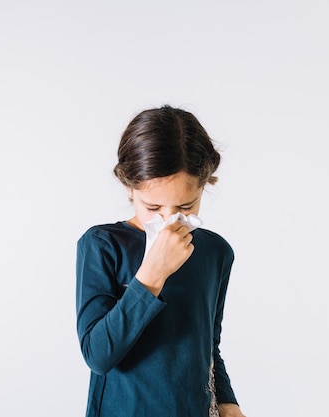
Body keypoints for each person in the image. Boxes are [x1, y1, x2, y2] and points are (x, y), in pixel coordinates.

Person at [75, 105, 246, 417]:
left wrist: (227, 401)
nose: (169, 219)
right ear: (129, 186)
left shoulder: (216, 251)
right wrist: (151, 275)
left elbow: (208, 345)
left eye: (185, 204)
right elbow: (98, 355)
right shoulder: (103, 245)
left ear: (204, 184)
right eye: (153, 206)